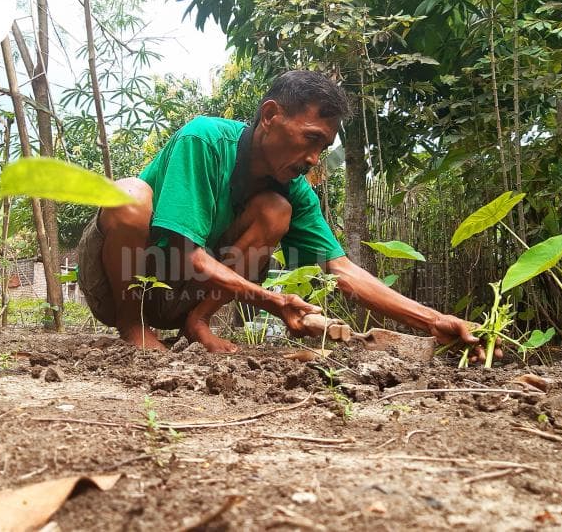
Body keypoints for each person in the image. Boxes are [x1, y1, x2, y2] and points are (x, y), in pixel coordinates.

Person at [77, 70, 485, 357]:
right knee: (128, 195)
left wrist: (432, 320)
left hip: (182, 295)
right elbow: (184, 250)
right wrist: (273, 301)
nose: (313, 158)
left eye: (322, 149)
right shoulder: (203, 139)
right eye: (310, 139)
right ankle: (134, 327)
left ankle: (197, 324)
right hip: (120, 284)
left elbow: (342, 269)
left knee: (275, 210)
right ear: (270, 116)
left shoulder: (295, 189)